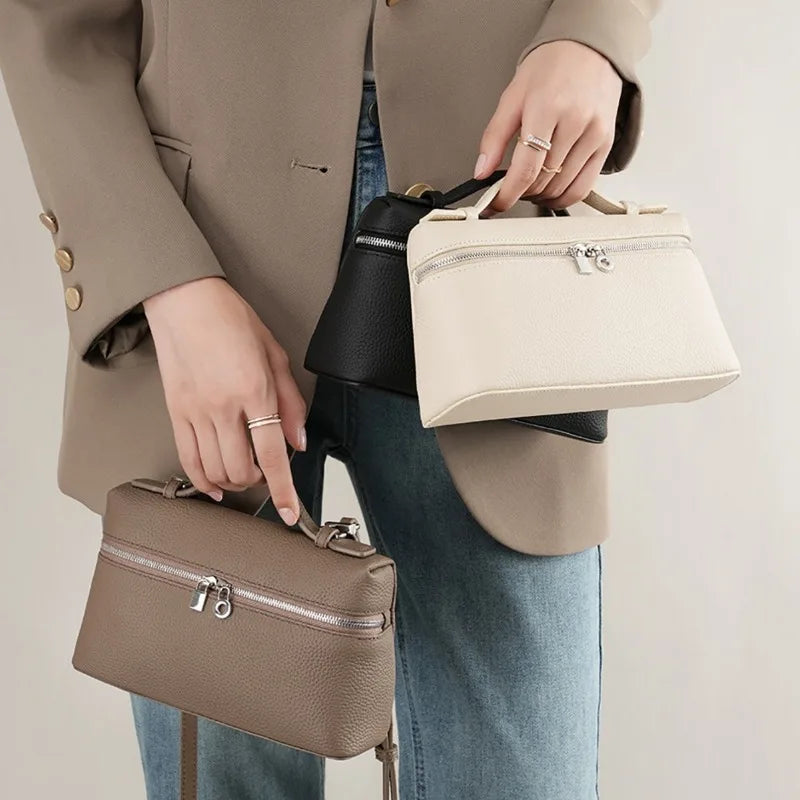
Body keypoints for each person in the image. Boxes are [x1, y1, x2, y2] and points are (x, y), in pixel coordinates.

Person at [0, 1, 660, 797]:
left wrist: (595, 34)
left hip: (497, 224)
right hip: (203, 248)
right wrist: (164, 281)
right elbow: (49, 19)